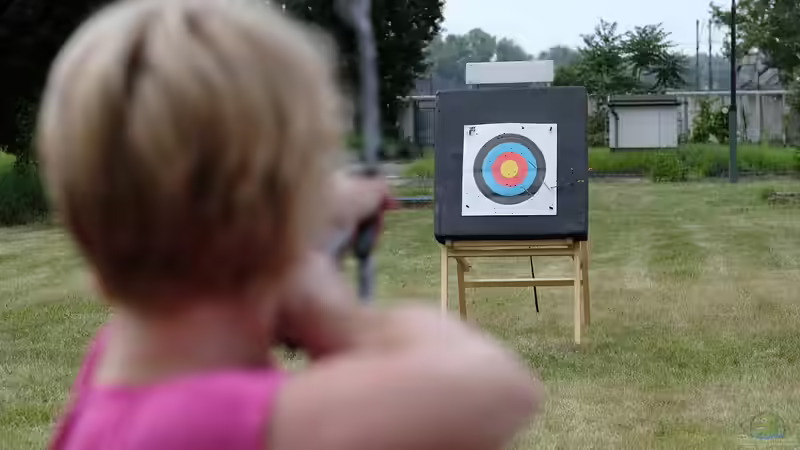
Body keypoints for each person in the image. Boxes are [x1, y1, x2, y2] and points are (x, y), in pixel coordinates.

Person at [40, 1, 544, 449]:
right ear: (273, 219)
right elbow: (498, 388)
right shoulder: (215, 424)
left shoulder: (118, 372)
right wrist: (343, 320)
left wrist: (297, 213)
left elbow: (200, 219)